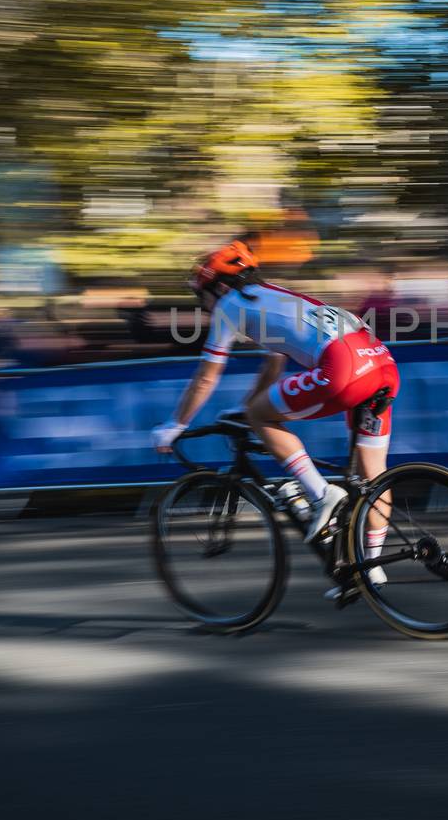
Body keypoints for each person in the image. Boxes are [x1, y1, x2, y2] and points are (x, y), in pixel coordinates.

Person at [152, 240, 401, 590]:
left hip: (343, 365)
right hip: (381, 363)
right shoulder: (272, 294)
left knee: (261, 418)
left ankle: (319, 494)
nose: (205, 308)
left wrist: (175, 425)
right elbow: (275, 360)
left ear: (220, 287)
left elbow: (207, 375)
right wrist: (248, 404)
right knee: (373, 474)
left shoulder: (230, 305)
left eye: (203, 298)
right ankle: (371, 564)